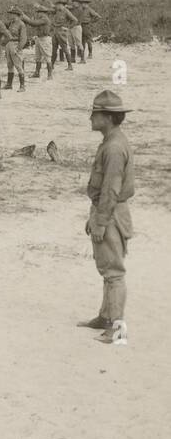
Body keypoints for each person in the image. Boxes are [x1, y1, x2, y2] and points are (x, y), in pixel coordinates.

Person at [77, 90, 135, 344]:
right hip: (107, 210)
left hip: (110, 213)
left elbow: (110, 190)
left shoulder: (113, 147)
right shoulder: (113, 141)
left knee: (113, 273)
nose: (91, 117)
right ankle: (105, 317)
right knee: (107, 268)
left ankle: (116, 327)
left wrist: (100, 221)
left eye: (96, 113)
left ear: (109, 118)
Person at [2, 6, 30, 92]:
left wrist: (19, 48)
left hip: (15, 44)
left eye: (11, 13)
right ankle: (9, 84)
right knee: (9, 64)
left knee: (18, 65)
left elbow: (23, 38)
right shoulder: (11, 23)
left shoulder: (21, 24)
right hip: (9, 44)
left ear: (16, 14)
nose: (10, 15)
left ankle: (22, 86)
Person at [23, 3, 53, 79]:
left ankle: (50, 74)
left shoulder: (44, 19)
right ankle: (37, 73)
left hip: (45, 39)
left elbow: (33, 23)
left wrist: (24, 17)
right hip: (39, 38)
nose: (38, 13)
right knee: (38, 57)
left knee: (47, 57)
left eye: (39, 12)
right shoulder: (43, 18)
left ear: (43, 12)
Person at [50, 0, 77, 72]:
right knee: (54, 49)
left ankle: (70, 65)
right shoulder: (57, 11)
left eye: (59, 4)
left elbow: (75, 20)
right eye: (57, 5)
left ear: (62, 5)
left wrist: (68, 27)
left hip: (62, 32)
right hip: (55, 31)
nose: (57, 6)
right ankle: (51, 65)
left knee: (65, 49)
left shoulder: (66, 11)